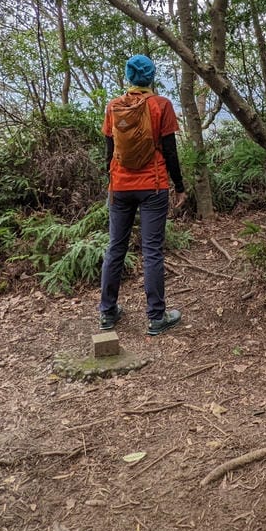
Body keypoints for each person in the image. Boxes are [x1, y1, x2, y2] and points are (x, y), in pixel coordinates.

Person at [99, 54, 187, 336]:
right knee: (151, 251)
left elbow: (109, 152)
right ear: (151, 77)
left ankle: (107, 313)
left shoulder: (114, 107)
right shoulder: (161, 105)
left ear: (128, 77)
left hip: (120, 187)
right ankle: (156, 317)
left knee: (115, 248)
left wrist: (111, 181)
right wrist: (180, 187)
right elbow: (171, 152)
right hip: (154, 185)